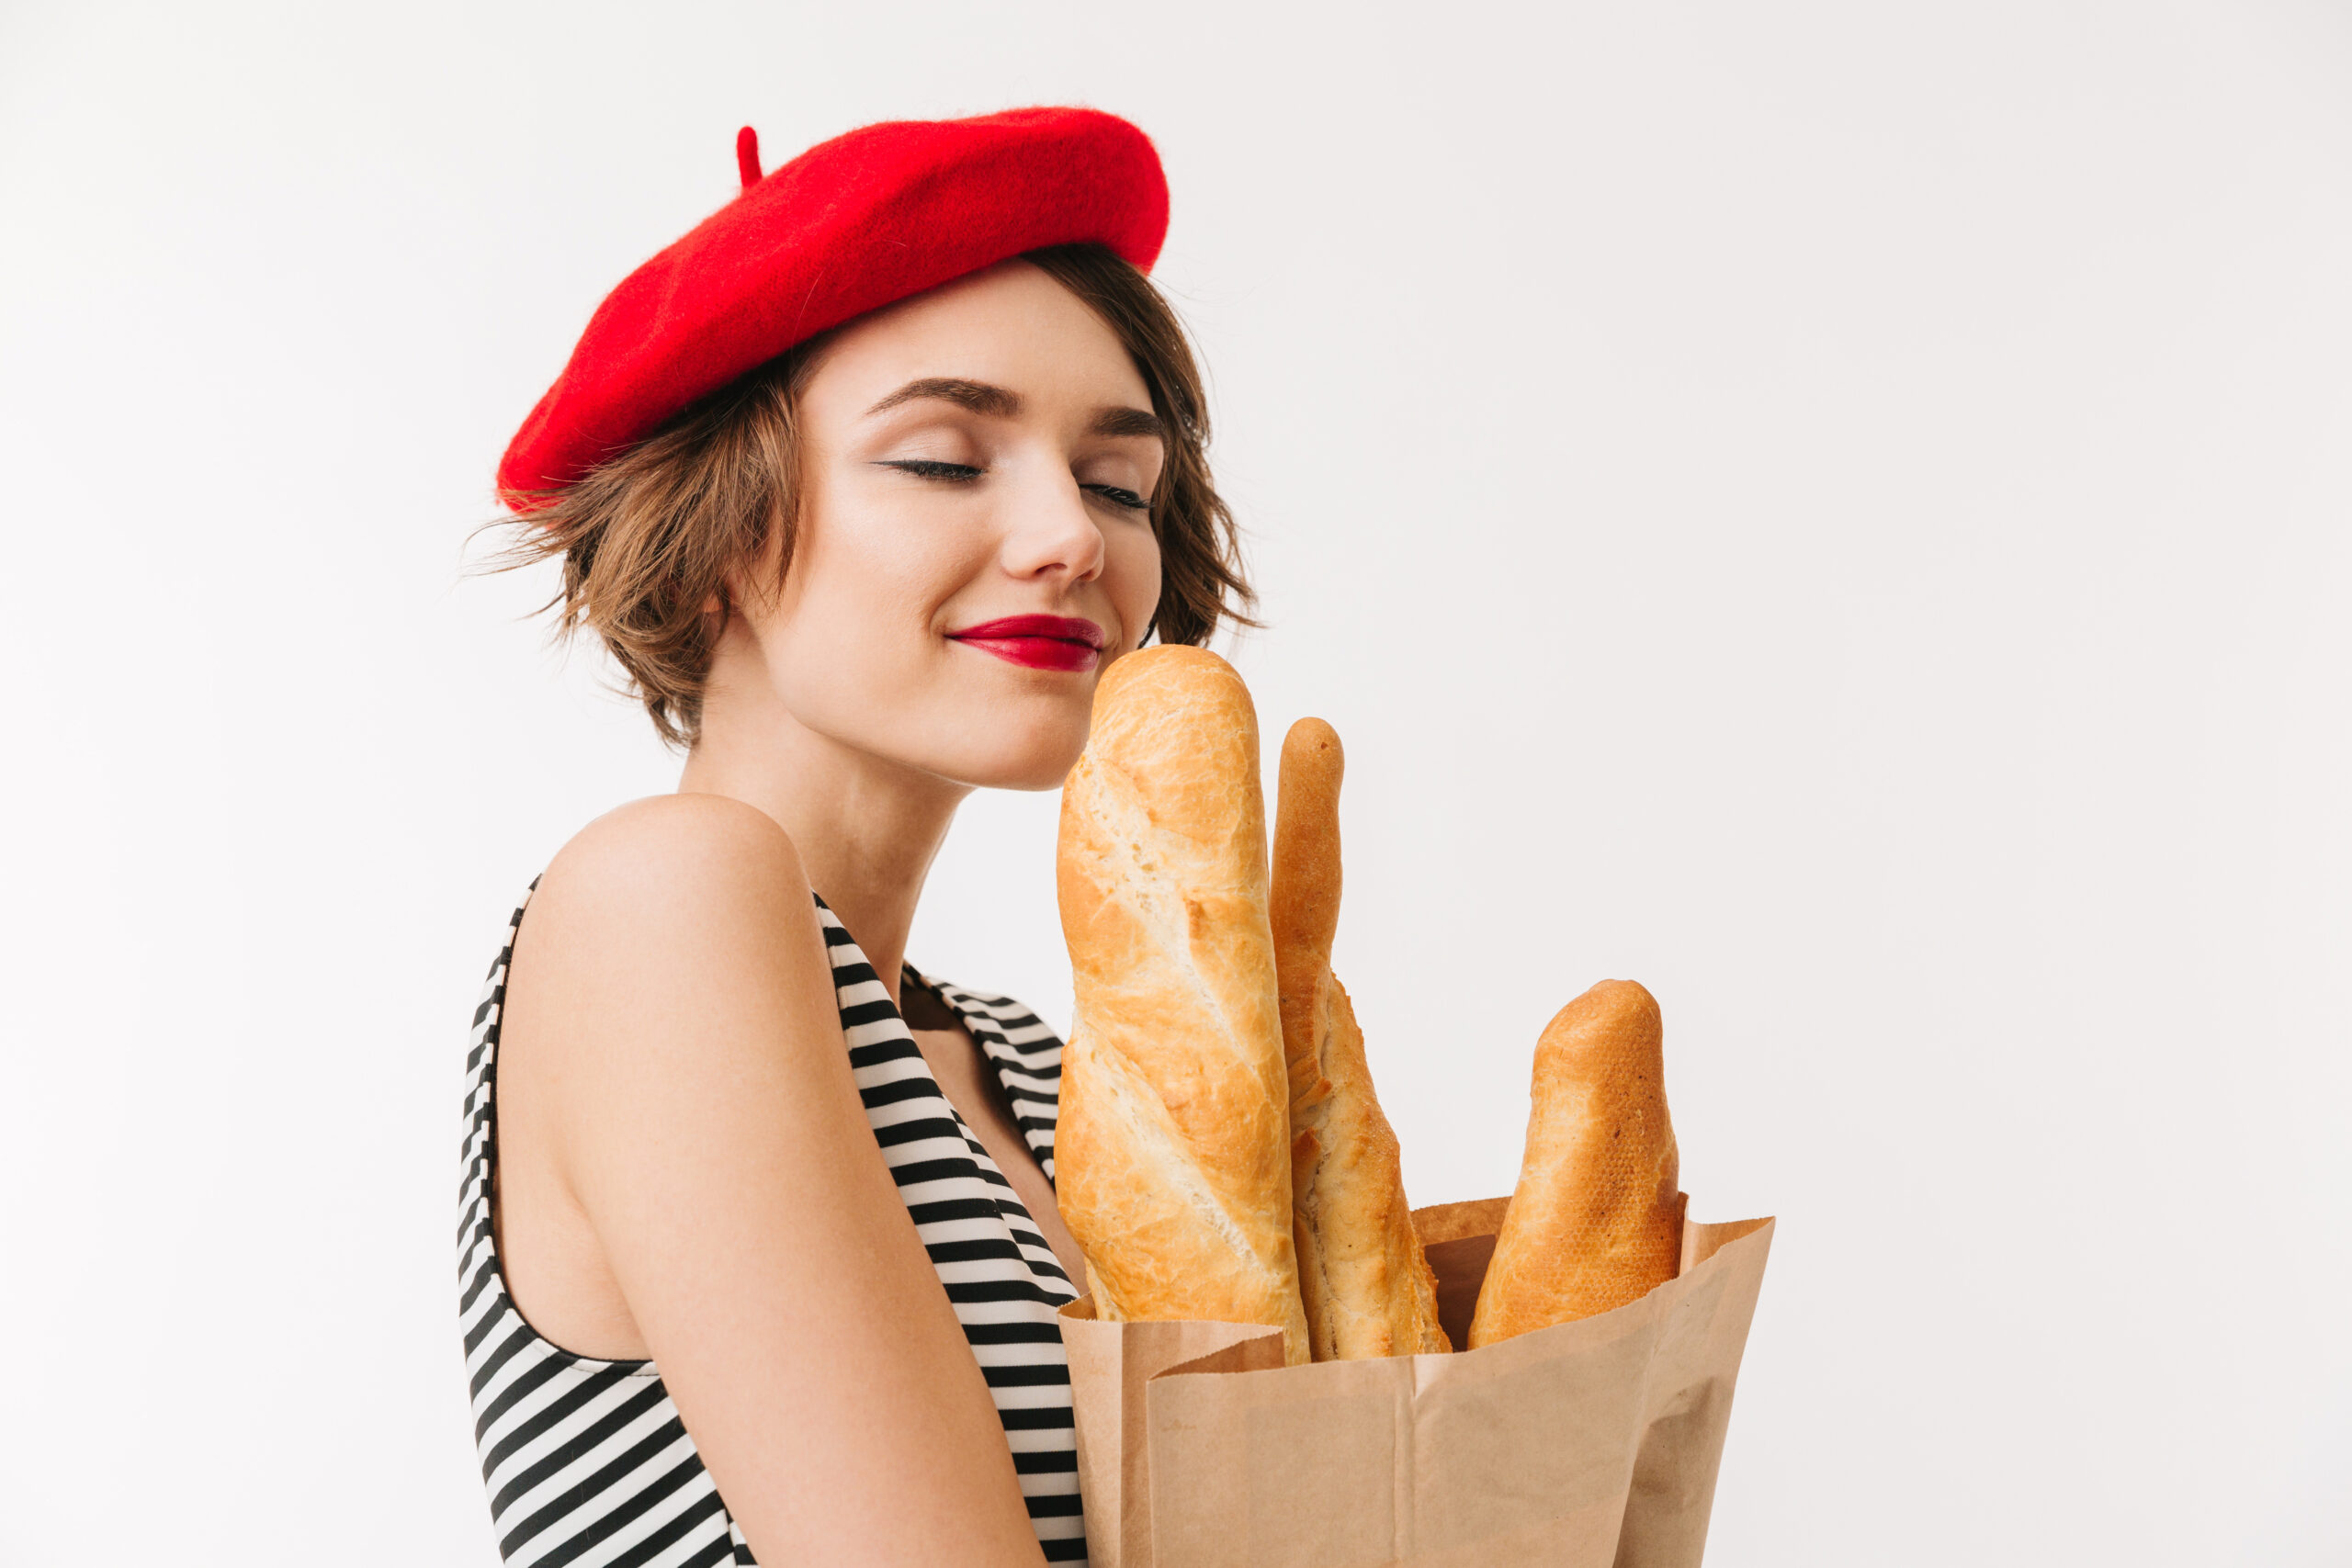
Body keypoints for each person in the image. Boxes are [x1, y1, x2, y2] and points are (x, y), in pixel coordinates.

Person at [458, 108, 1251, 1568]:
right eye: (947, 461)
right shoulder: (661, 902)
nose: (1072, 537)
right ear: (712, 545)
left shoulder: (1029, 1066)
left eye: (1118, 482)